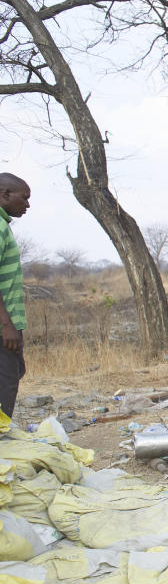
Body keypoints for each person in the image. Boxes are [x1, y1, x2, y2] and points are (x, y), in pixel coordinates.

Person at [0, 174, 30, 419]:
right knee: (6, 382)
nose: (27, 205)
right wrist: (7, 325)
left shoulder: (3, 226)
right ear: (5, 194)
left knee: (13, 373)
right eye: (25, 198)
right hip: (4, 324)